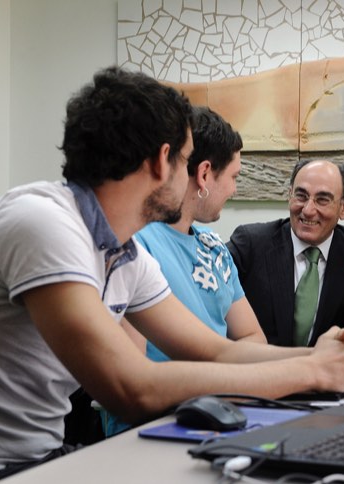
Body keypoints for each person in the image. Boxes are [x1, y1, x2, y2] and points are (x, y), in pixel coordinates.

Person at [0, 67, 344, 478]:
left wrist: (323, 357)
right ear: (163, 161)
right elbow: (133, 388)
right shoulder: (44, 223)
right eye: (186, 161)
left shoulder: (124, 254)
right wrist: (313, 371)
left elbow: (221, 350)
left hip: (41, 457)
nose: (190, 179)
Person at [103, 107, 266, 436]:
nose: (234, 190)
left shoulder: (214, 246)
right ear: (204, 173)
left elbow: (251, 339)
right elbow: (134, 373)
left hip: (223, 411)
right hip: (157, 425)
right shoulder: (134, 243)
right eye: (234, 177)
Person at [227, 159, 344, 346]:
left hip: (326, 372)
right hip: (261, 369)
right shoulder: (250, 244)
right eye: (301, 196)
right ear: (289, 196)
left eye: (322, 200)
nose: (308, 210)